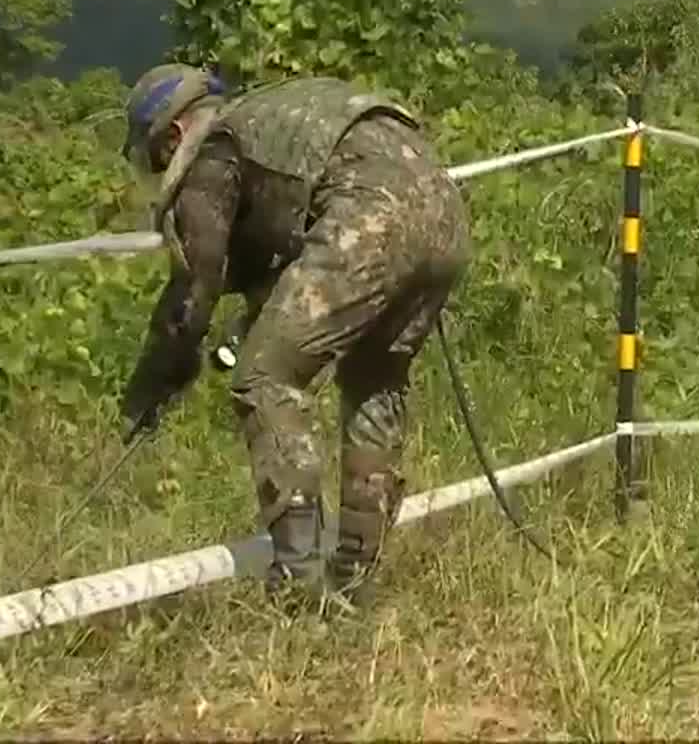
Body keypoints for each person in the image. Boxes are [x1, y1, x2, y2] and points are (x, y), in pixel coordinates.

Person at [117, 64, 473, 604]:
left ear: (172, 137)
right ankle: (355, 582)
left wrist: (154, 381)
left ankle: (300, 586)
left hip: (368, 218)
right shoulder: (270, 122)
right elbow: (286, 239)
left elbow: (195, 290)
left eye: (153, 157)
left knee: (263, 380)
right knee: (376, 383)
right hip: (445, 212)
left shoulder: (212, 152)